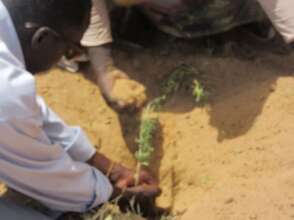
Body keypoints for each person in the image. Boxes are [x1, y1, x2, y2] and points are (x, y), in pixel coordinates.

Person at [0, 0, 159, 214]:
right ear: (42, 38)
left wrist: (110, 169)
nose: (68, 57)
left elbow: (30, 111)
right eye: (68, 49)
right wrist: (119, 197)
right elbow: (49, 181)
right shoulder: (6, 93)